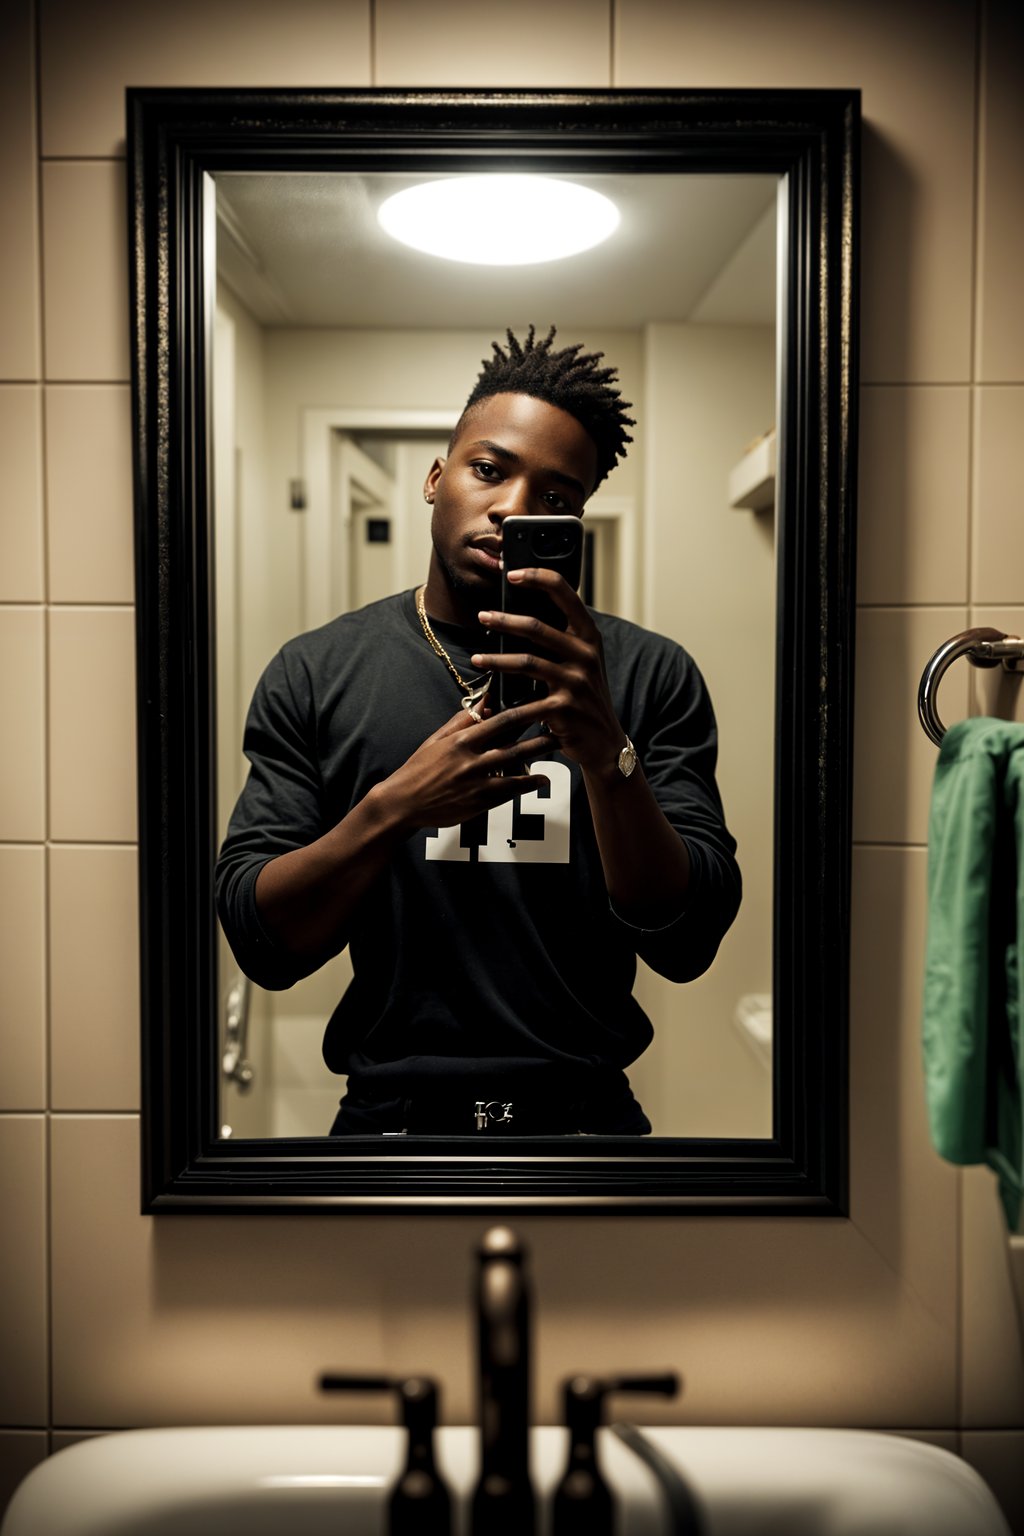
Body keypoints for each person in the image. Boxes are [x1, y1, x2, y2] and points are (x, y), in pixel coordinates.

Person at [215, 326, 741, 1136]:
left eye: (557, 498)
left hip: (587, 1118)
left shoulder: (646, 675)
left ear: (580, 520)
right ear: (436, 477)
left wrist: (607, 757)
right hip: (389, 1118)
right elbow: (263, 940)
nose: (512, 509)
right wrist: (393, 809)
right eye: (489, 470)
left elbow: (688, 937)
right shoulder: (317, 671)